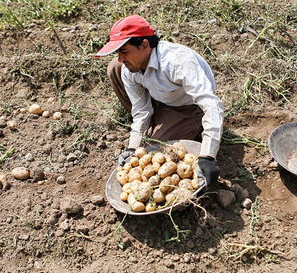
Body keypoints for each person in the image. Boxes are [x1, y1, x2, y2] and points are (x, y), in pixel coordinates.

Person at [95, 15, 224, 187]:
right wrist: (132, 148)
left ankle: (193, 125)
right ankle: (157, 124)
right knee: (115, 68)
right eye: (117, 53)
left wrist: (208, 156)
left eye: (124, 52)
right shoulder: (129, 69)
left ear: (144, 45)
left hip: (187, 106)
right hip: (159, 99)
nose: (121, 58)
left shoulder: (177, 61)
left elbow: (211, 103)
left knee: (158, 153)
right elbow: (141, 110)